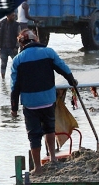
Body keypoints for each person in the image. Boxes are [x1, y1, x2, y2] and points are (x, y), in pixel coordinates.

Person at [10, 29, 77, 175]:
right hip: (48, 100)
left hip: (30, 103)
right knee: (49, 129)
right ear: (36, 39)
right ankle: (53, 159)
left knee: (34, 135)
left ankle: (38, 168)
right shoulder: (48, 52)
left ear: (22, 44)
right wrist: (72, 81)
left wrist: (13, 107)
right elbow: (62, 68)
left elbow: (14, 87)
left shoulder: (18, 60)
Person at [0, 12, 18, 79]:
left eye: (14, 15)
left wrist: (16, 47)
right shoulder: (1, 23)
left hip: (13, 48)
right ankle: (3, 80)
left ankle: (18, 77)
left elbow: (19, 36)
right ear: (8, 16)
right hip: (3, 47)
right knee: (3, 64)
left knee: (16, 63)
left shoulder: (16, 25)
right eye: (12, 15)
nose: (14, 17)